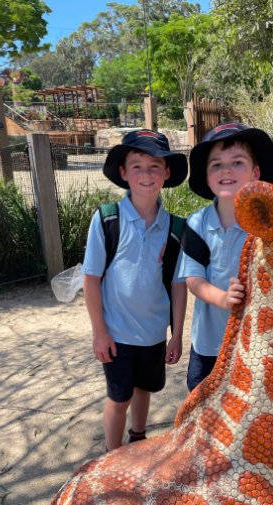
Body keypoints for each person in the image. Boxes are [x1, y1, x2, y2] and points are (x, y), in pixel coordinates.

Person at [82, 130, 189, 452]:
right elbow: (91, 279)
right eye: (137, 165)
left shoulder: (176, 228)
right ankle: (111, 458)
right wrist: (99, 333)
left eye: (155, 166)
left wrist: (178, 334)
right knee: (119, 398)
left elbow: (178, 285)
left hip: (154, 333)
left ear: (167, 174)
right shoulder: (105, 219)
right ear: (123, 172)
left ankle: (138, 441)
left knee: (145, 390)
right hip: (116, 333)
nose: (146, 173)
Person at [179, 122, 273, 392]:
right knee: (202, 409)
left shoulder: (268, 225)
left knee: (248, 413)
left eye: (237, 162)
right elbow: (193, 279)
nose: (226, 170)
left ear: (255, 173)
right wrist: (222, 297)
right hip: (208, 342)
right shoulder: (196, 223)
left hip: (255, 343)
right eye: (216, 164)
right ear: (207, 177)